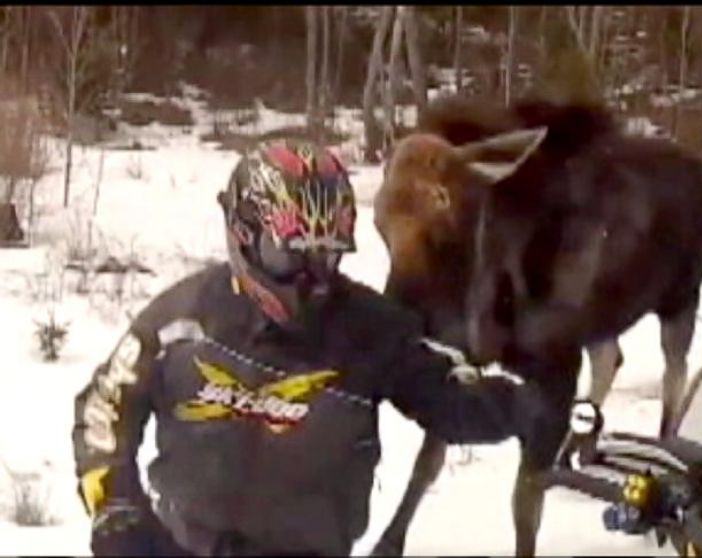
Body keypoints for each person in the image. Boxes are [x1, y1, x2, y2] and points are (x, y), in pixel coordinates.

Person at [72, 139, 552, 557]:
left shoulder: (371, 330)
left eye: (326, 255)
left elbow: (448, 395)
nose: (311, 279)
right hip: (179, 547)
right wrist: (114, 501)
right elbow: (105, 405)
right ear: (244, 235)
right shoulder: (185, 315)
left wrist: (521, 404)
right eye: (292, 255)